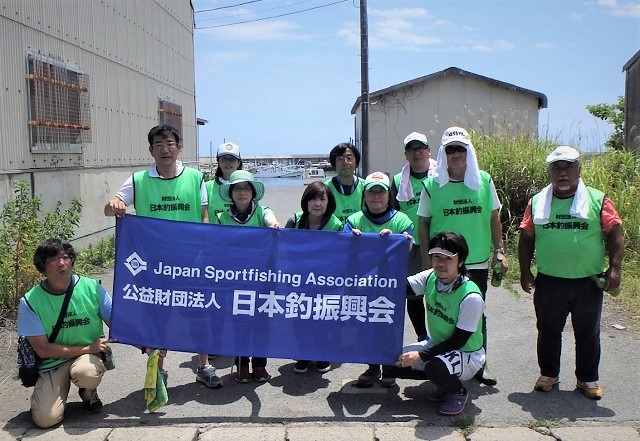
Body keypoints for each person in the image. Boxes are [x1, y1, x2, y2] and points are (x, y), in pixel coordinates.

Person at [104, 124, 221, 389]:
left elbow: (203, 216)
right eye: (159, 144)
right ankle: (158, 372)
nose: (165, 149)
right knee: (157, 318)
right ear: (151, 150)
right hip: (153, 266)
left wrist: (205, 250)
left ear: (179, 147)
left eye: (170, 144)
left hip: (190, 263)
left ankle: (204, 366)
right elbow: (110, 209)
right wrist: (115, 204)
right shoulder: (138, 180)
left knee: (198, 313)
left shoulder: (195, 178)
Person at [518, 145, 623, 400]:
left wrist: (615, 268)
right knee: (548, 329)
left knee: (588, 332)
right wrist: (524, 270)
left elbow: (615, 233)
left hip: (587, 282)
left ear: (579, 169)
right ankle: (548, 374)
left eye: (568, 167)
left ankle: (587, 378)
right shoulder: (537, 202)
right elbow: (527, 236)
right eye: (556, 168)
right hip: (549, 281)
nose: (562, 173)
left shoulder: (599, 199)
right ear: (550, 172)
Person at [416, 126, 506, 386]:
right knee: (443, 311)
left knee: (477, 312)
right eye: (450, 149)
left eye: (461, 149)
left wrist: (499, 251)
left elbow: (494, 217)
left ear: (469, 151)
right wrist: (427, 260)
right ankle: (443, 356)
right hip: (444, 261)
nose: (456, 154)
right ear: (443, 154)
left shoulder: (484, 180)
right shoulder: (432, 185)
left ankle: (481, 361)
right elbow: (423, 223)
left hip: (476, 260)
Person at [382, 232, 485, 416]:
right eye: (436, 257)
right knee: (391, 362)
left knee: (434, 367)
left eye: (448, 258)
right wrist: (397, 251)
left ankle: (458, 391)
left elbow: (459, 341)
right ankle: (443, 382)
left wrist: (421, 355)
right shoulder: (431, 276)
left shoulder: (471, 296)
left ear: (460, 261)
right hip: (438, 345)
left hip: (467, 354)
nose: (441, 263)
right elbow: (397, 286)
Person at [17, 239, 114, 428]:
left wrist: (146, 346)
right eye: (53, 259)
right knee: (46, 419)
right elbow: (43, 350)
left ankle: (88, 392)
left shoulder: (92, 287)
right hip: (52, 362)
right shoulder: (30, 301)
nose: (61, 263)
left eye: (65, 257)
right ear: (42, 267)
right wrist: (88, 347)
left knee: (86, 373)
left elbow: (119, 324)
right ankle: (44, 397)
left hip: (87, 357)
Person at [344, 171, 414, 388]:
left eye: (381, 192)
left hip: (390, 285)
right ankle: (372, 367)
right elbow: (343, 252)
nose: (376, 196)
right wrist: (351, 241)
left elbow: (409, 247)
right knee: (365, 326)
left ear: (388, 195)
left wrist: (398, 240)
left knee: (388, 325)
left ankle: (390, 367)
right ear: (364, 195)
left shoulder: (402, 220)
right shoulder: (353, 221)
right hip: (362, 285)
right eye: (371, 192)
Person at [216, 169, 280, 382]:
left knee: (261, 323)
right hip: (235, 281)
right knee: (239, 324)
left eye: (246, 188)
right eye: (237, 189)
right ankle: (242, 365)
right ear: (231, 193)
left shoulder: (262, 211)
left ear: (253, 192)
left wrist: (273, 225)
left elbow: (271, 221)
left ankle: (260, 366)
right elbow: (217, 245)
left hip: (262, 279)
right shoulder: (222, 218)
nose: (242, 193)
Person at [284, 181, 342, 374]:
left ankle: (322, 353)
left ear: (328, 202)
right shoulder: (295, 220)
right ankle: (304, 354)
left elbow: (343, 254)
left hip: (326, 281)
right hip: (298, 280)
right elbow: (282, 247)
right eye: (313, 199)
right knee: (300, 318)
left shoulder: (337, 225)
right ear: (306, 201)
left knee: (323, 319)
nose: (317, 203)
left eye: (322, 199)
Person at [390, 131, 437, 343]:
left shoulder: (441, 176)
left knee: (440, 290)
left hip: (438, 243)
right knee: (414, 293)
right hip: (410, 246)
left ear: (429, 151)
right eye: (412, 149)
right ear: (406, 155)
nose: (417, 153)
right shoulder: (398, 180)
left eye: (421, 148)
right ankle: (422, 336)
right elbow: (392, 213)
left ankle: (441, 337)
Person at [325, 142, 366, 223]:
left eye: (349, 158)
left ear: (356, 161)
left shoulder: (366, 186)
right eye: (340, 159)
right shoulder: (326, 188)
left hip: (358, 230)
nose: (345, 162)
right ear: (334, 163)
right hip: (334, 230)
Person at [206, 141, 242, 221]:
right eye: (224, 159)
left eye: (232, 159)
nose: (228, 162)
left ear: (238, 163)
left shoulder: (248, 187)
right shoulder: (207, 187)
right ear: (218, 162)